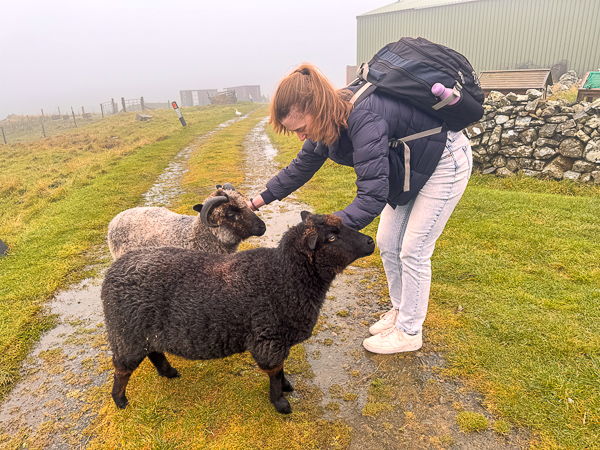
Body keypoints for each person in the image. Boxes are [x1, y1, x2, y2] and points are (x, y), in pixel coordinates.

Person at [247, 64, 472, 354]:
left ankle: (409, 331)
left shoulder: (364, 118)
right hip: (408, 168)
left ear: (316, 107)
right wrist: (254, 203)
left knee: (413, 249)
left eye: (301, 128)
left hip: (443, 162)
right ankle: (401, 310)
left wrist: (322, 229)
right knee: (388, 243)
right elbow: (300, 168)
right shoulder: (327, 121)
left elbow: (371, 198)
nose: (301, 136)